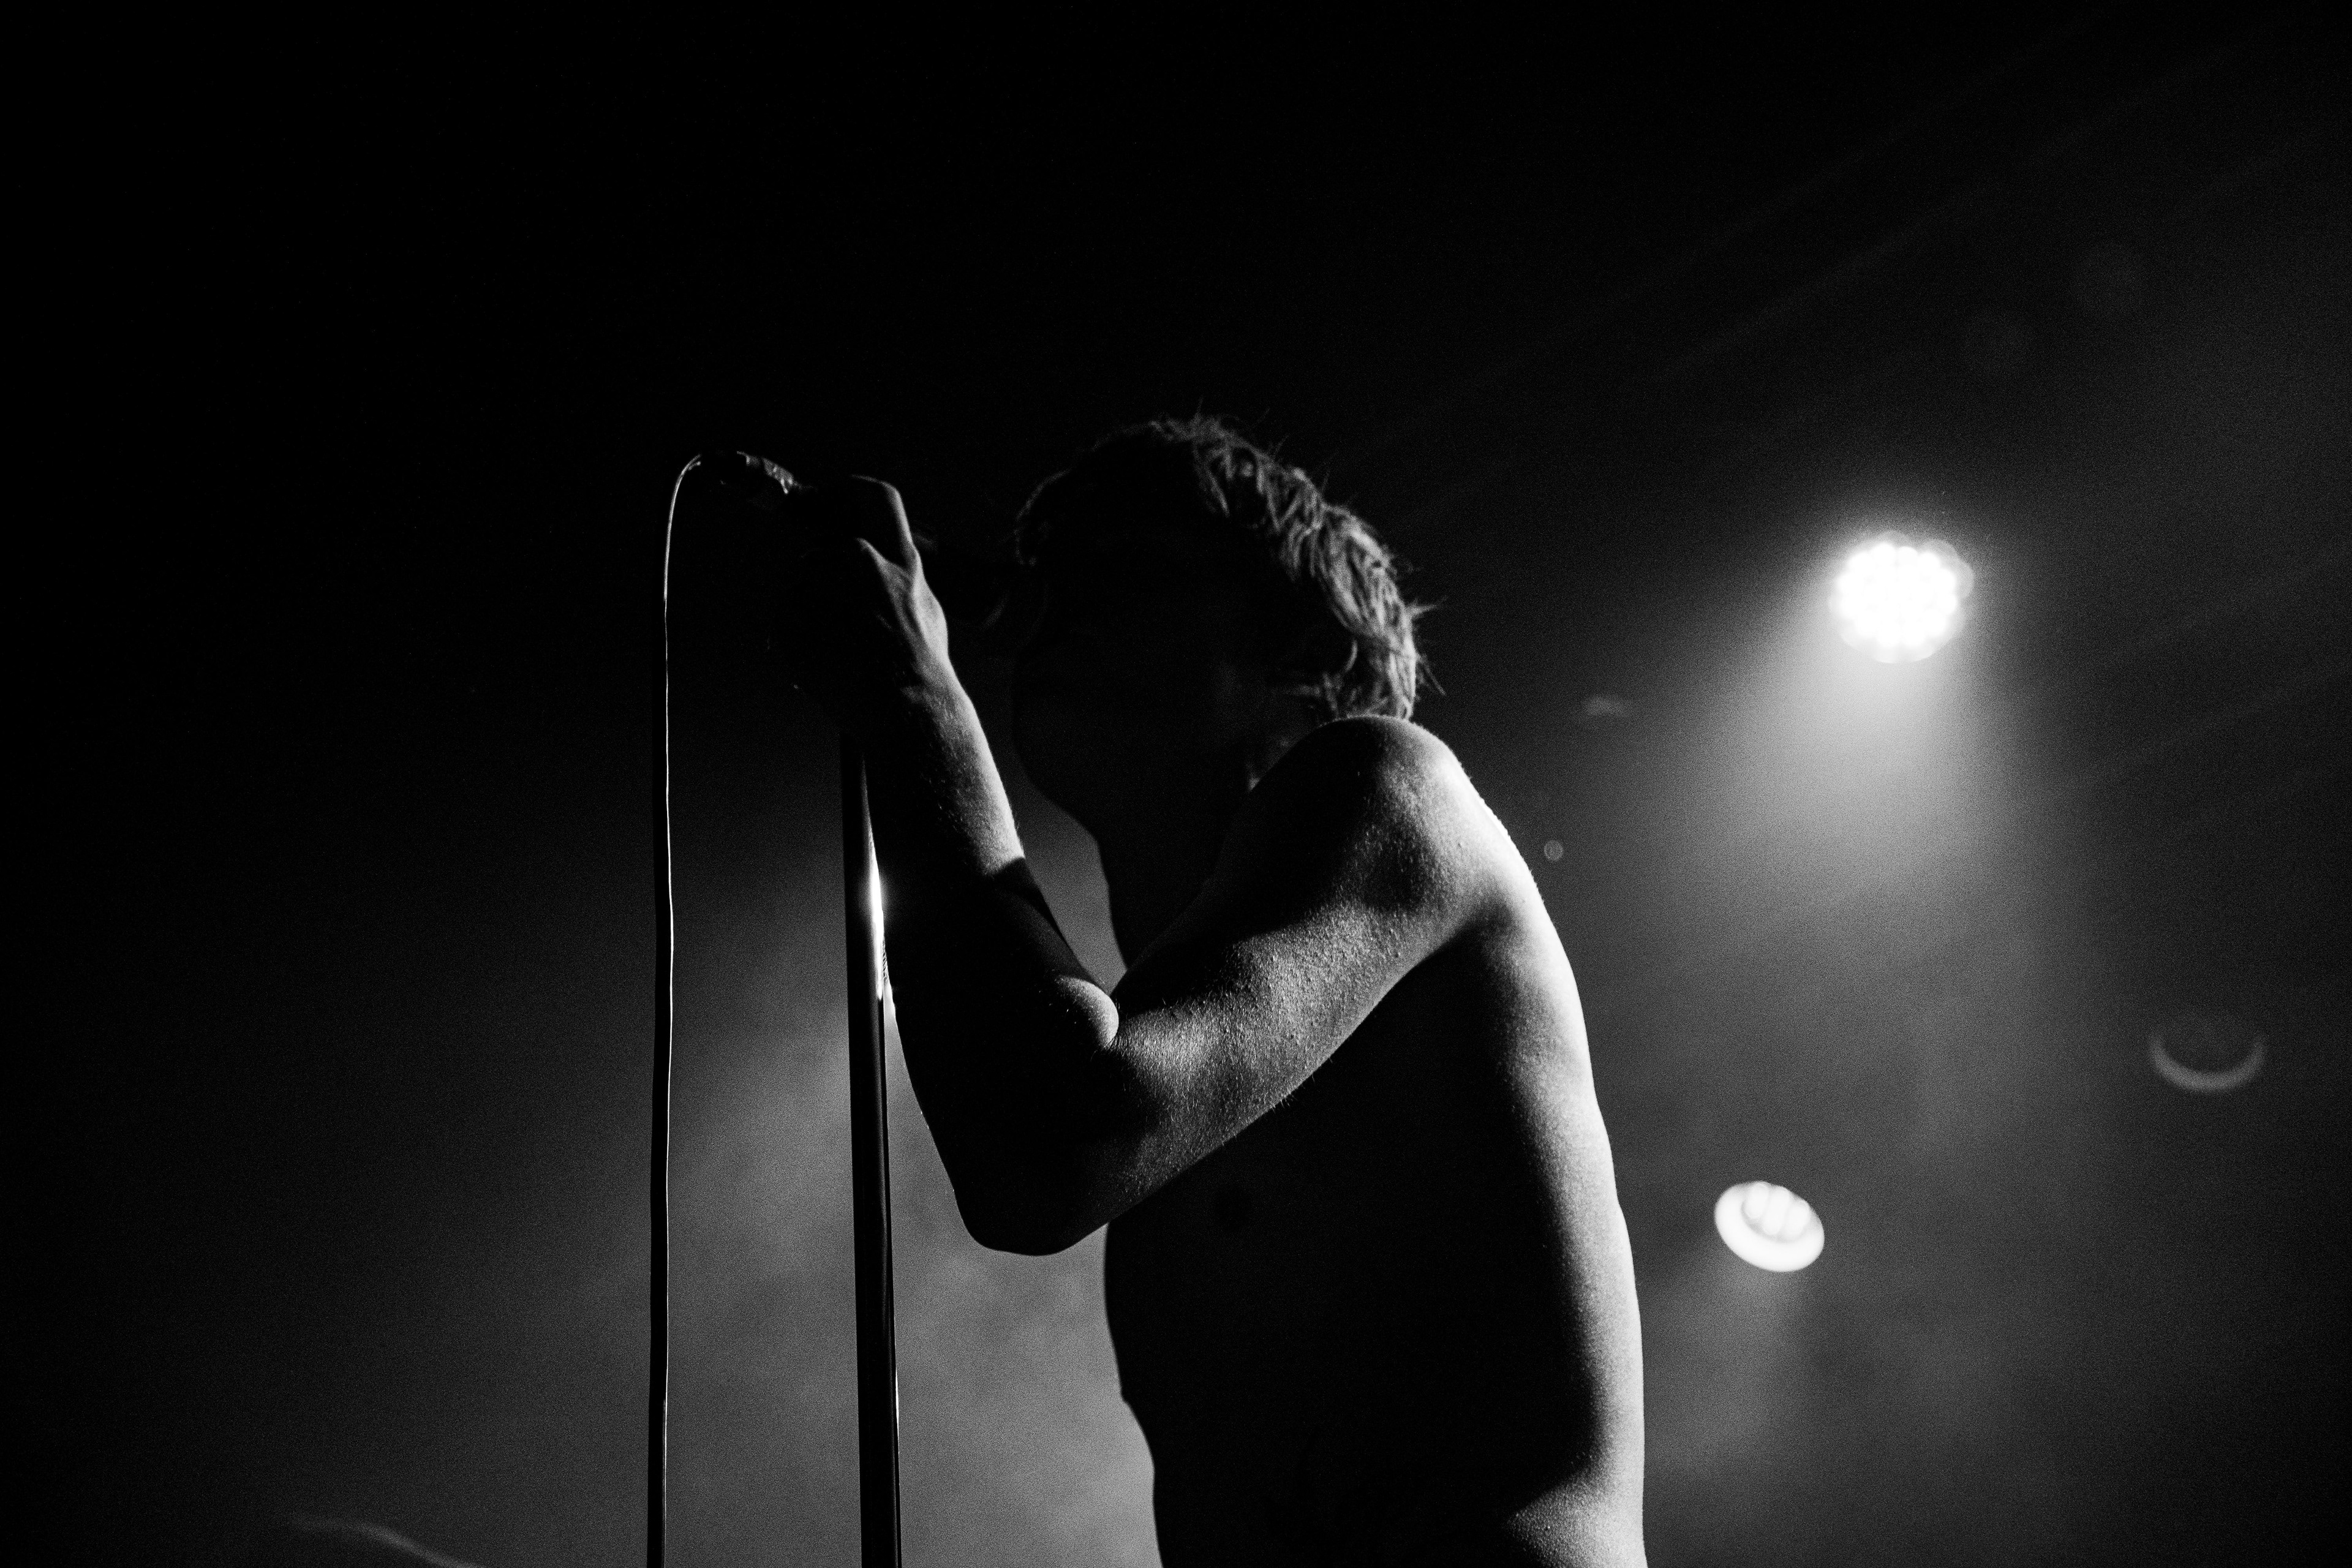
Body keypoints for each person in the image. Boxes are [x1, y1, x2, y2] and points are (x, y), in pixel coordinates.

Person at [785, 417, 1644, 1566]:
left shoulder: (1392, 781)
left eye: (1124, 567)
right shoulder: (1178, 1046)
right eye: (1053, 568)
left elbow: (1058, 1141)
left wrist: (913, 697)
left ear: (1296, 647)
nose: (1059, 601)